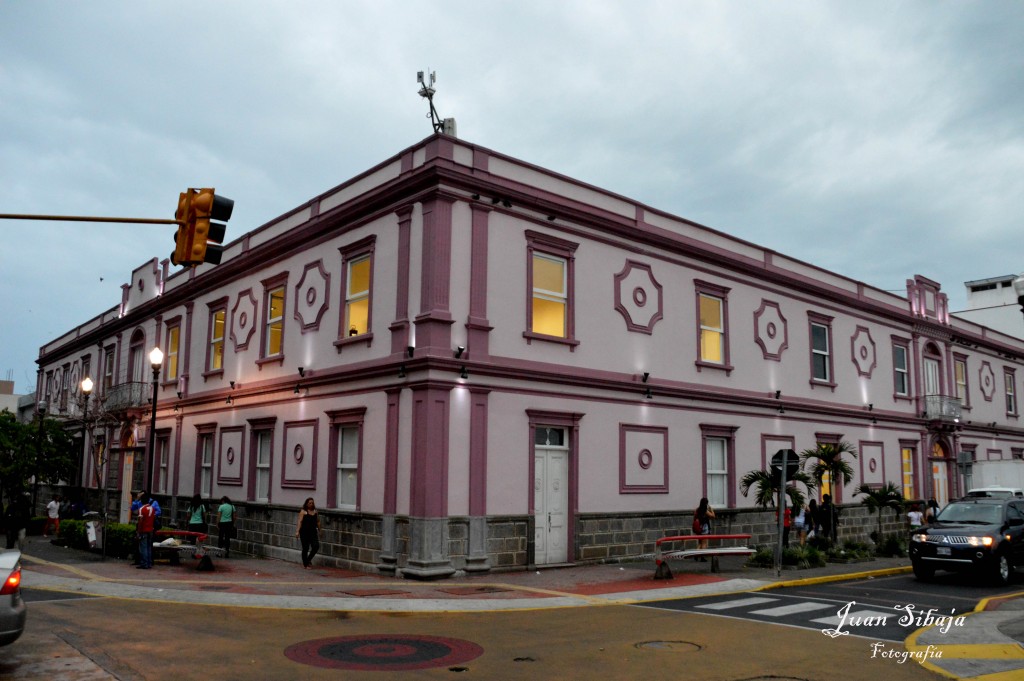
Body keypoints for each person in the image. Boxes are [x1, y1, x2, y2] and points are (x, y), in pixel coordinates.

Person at [295, 497, 321, 569]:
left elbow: (318, 522)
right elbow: (299, 522)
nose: (311, 504)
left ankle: (308, 559)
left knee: (316, 546)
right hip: (304, 532)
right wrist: (297, 532)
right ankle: (305, 564)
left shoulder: (315, 512)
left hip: (313, 532)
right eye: (310, 503)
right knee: (305, 548)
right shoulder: (303, 512)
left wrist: (320, 530)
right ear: (306, 504)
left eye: (312, 503)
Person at [135, 492, 156, 569]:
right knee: (149, 547)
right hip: (150, 529)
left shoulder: (141, 509)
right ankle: (149, 563)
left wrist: (138, 532)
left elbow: (140, 521)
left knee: (143, 547)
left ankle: (144, 563)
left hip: (143, 530)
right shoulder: (152, 508)